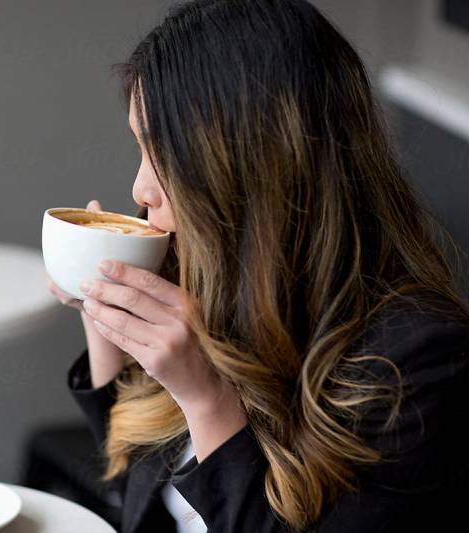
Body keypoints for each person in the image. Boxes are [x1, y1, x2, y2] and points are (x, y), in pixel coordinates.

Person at [45, 1, 469, 532]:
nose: (140, 189)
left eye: (164, 154)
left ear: (253, 169)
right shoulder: (212, 283)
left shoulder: (419, 366)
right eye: (141, 148)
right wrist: (103, 318)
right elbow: (140, 501)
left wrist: (206, 398)